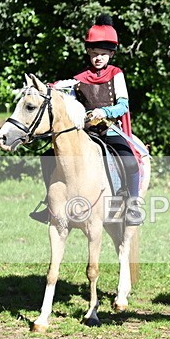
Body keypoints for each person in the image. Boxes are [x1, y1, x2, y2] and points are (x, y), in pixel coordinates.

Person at [30, 14, 144, 226]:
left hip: (110, 131)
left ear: (111, 54)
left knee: (130, 162)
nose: (98, 58)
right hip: (86, 134)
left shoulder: (116, 75)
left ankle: (132, 205)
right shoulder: (78, 80)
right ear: (89, 53)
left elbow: (124, 106)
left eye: (103, 54)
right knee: (48, 156)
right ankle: (51, 204)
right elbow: (70, 105)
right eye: (94, 54)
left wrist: (105, 113)